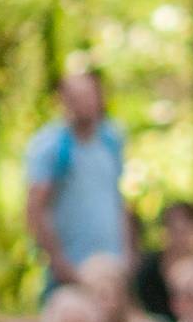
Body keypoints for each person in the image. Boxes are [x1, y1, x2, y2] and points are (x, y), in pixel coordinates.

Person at [24, 63, 135, 291]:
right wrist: (58, 263)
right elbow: (36, 207)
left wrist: (129, 251)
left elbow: (118, 198)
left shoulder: (111, 138)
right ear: (63, 100)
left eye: (89, 95)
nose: (84, 103)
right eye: (75, 97)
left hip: (112, 264)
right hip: (71, 268)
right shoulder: (50, 146)